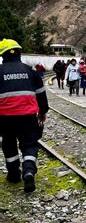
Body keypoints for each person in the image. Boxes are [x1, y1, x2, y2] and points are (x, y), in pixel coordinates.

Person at [0, 39, 49, 193]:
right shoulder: (30, 71)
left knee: (8, 145)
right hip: (27, 117)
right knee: (29, 145)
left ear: (2, 54)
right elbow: (41, 95)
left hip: (4, 118)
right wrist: (42, 112)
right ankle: (28, 172)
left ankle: (14, 175)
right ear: (19, 52)